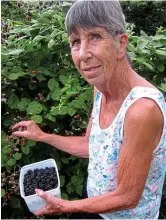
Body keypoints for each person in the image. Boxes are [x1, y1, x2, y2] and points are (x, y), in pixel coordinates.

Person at [11, 1, 166, 219]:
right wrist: (42, 136)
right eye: (75, 41)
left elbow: (127, 196)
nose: (83, 54)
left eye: (95, 36)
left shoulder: (142, 109)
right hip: (93, 201)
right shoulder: (100, 90)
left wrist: (67, 207)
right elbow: (90, 145)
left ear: (121, 44)